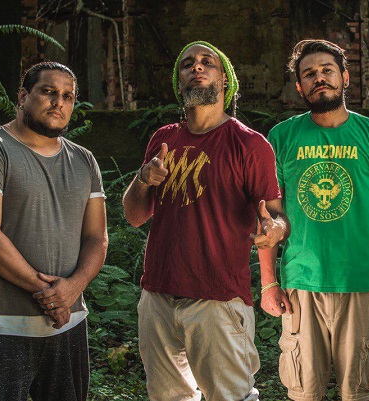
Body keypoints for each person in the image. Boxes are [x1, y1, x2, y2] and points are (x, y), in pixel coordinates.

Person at [122, 40, 288, 401]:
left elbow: (275, 215)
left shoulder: (249, 144)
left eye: (206, 62)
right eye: (187, 64)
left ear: (225, 80)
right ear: (178, 82)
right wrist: (143, 179)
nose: (196, 67)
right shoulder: (163, 139)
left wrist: (274, 230)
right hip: (158, 295)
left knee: (230, 397)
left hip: (218, 298)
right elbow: (134, 216)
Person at [259, 39, 369, 401]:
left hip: (359, 278)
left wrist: (349, 230)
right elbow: (270, 217)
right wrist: (269, 283)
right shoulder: (281, 138)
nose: (319, 78)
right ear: (299, 87)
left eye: (327, 70)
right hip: (301, 281)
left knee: (357, 391)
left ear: (345, 77)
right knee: (303, 391)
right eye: (309, 74)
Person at [0, 62, 108, 401]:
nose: (58, 102)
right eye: (48, 92)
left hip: (68, 326)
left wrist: (73, 288)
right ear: (22, 96)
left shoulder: (84, 160)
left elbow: (97, 238)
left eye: (68, 96)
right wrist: (50, 294)